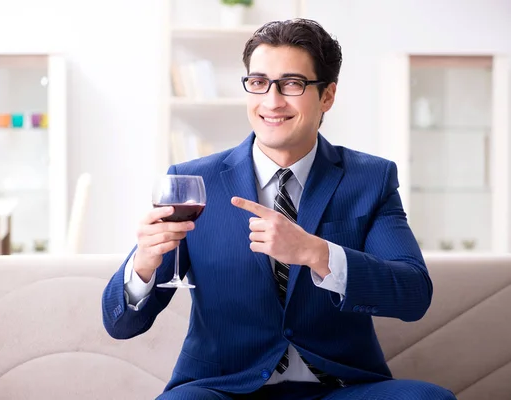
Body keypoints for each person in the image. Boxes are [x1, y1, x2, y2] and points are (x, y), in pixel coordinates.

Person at [102, 18, 456, 400]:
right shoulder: (193, 182)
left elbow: (413, 293)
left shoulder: (369, 179)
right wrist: (143, 264)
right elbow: (120, 325)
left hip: (341, 390)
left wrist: (316, 253)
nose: (272, 101)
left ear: (327, 96)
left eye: (292, 84)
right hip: (223, 390)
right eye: (258, 83)